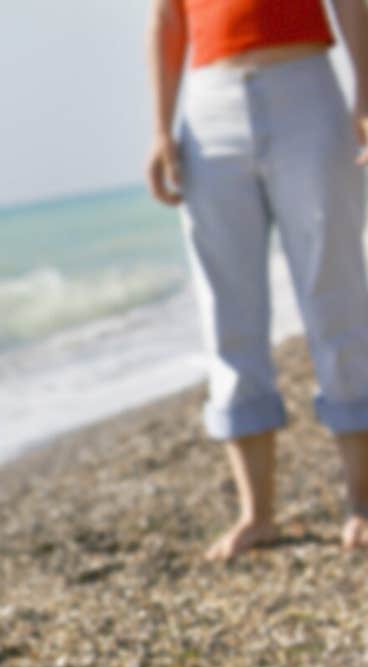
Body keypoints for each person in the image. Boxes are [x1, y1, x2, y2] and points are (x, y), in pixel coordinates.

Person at [146, 0, 368, 560]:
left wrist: (366, 88)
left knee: (335, 294)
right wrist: (160, 130)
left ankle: (362, 501)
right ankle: (257, 513)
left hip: (306, 89)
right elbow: (168, 19)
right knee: (226, 309)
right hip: (208, 104)